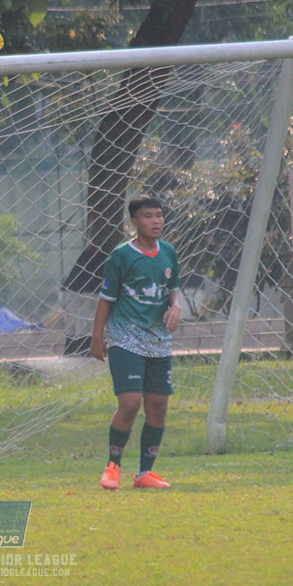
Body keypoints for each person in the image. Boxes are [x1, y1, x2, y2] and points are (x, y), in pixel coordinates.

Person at [91, 194, 181, 490]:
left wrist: (175, 307)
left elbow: (173, 289)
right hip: (125, 338)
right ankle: (113, 467)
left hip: (158, 340)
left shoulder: (169, 252)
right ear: (134, 222)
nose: (156, 221)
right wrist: (97, 337)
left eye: (159, 215)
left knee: (157, 406)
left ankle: (144, 473)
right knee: (129, 403)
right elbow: (105, 300)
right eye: (148, 216)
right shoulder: (121, 256)